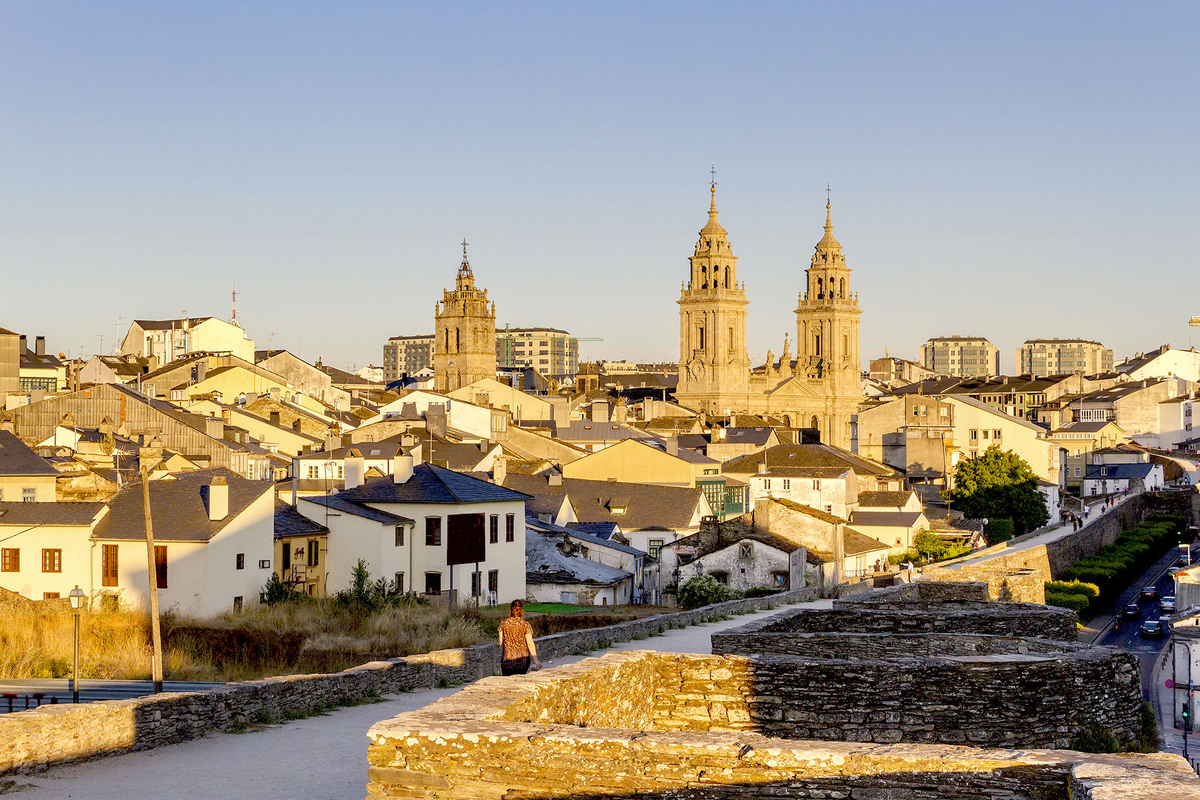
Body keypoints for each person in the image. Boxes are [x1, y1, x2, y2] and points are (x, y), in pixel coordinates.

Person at [498, 599, 542, 675]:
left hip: (507, 660)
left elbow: (501, 642)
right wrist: (536, 660)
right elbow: (530, 643)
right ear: (521, 610)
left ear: (511, 610)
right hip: (523, 661)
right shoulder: (525, 624)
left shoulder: (504, 623)